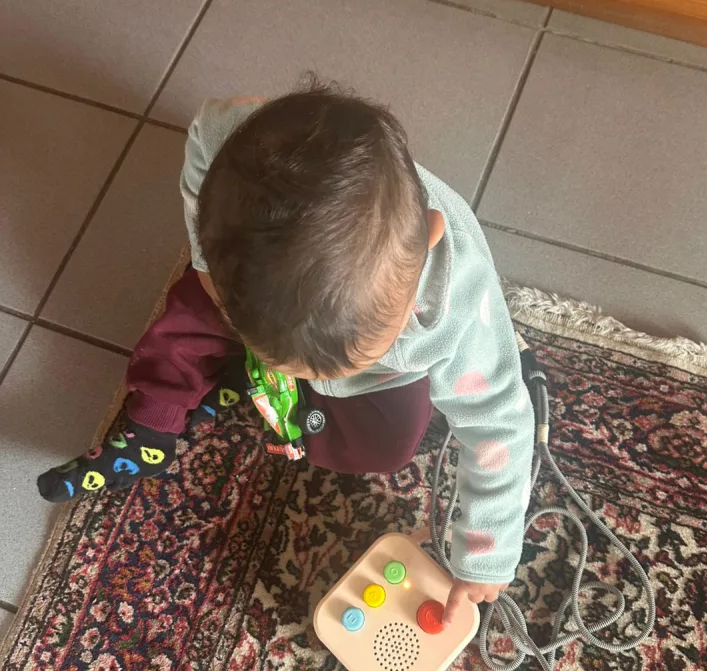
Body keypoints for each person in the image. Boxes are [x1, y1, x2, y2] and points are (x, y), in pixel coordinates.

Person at [38, 83, 535, 625]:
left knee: (389, 441)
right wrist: (206, 260)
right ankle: (152, 426)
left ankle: (295, 409)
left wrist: (485, 554)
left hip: (383, 369)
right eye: (279, 362)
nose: (287, 372)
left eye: (317, 369)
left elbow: (500, 422)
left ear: (431, 239)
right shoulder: (236, 136)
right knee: (190, 312)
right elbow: (206, 132)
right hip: (261, 283)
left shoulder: (457, 309)